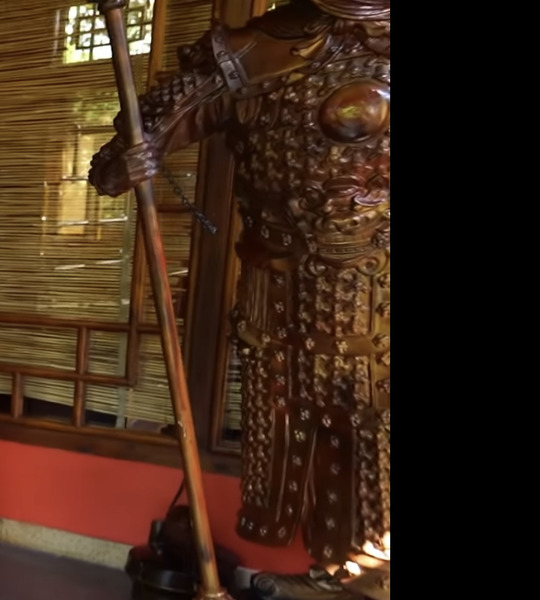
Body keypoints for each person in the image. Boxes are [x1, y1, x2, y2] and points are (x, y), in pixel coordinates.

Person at [89, 0, 390, 580]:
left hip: (378, 290)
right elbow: (117, 160)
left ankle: (361, 573)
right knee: (291, 424)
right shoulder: (256, 49)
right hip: (284, 289)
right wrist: (132, 159)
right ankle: (337, 572)